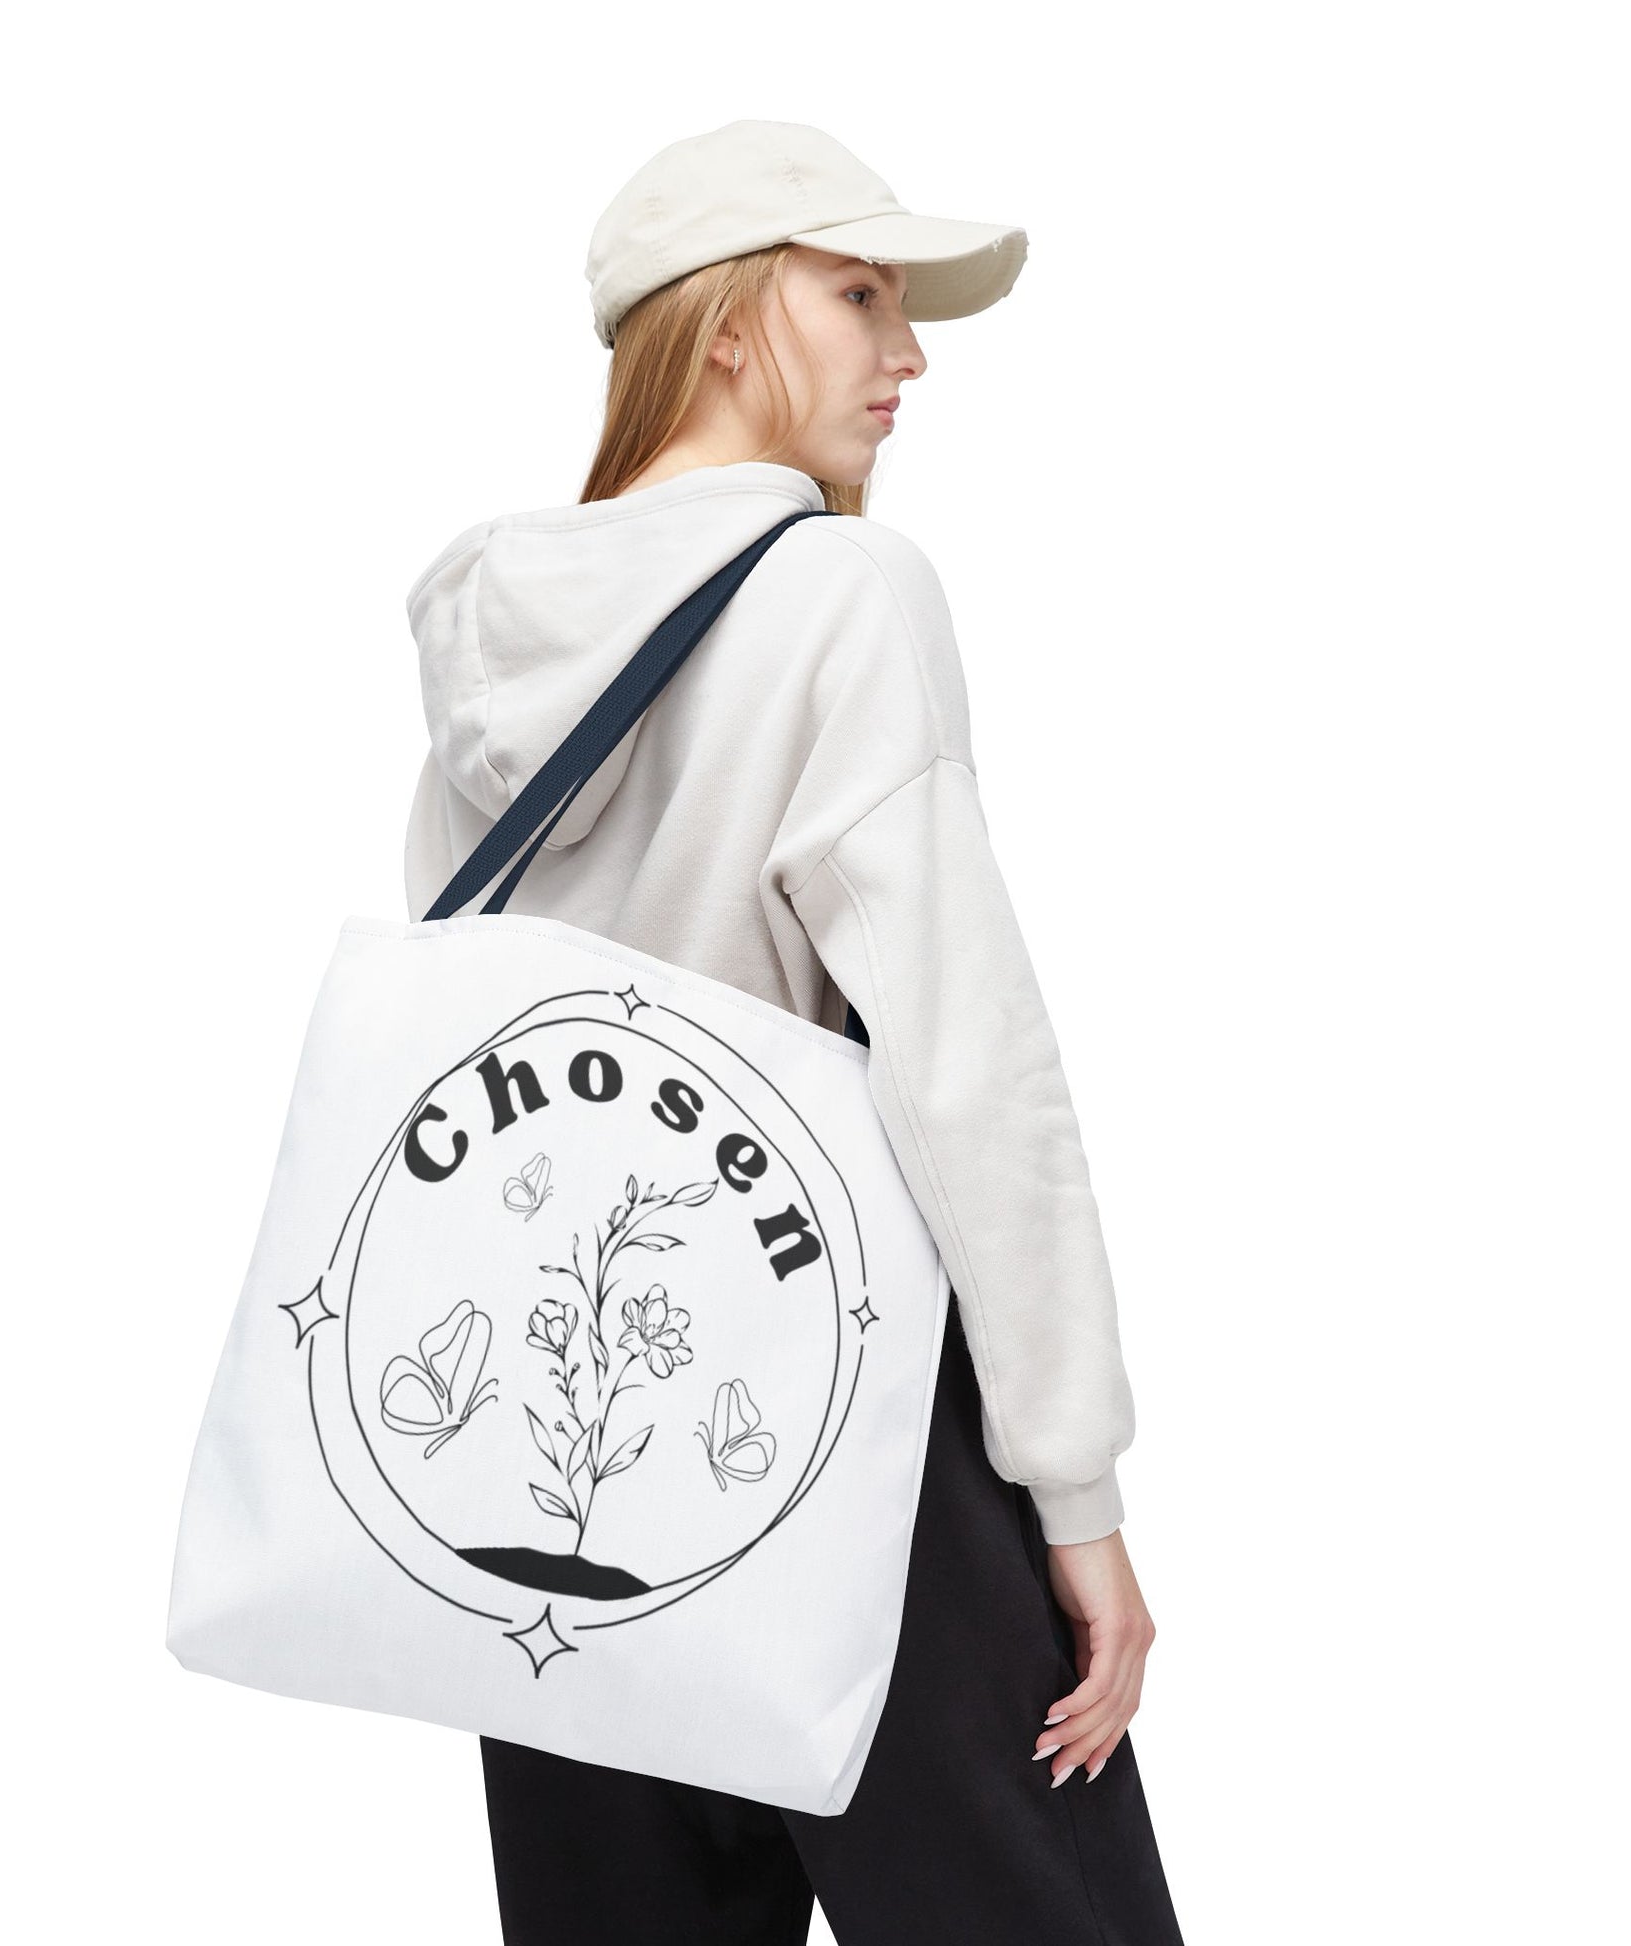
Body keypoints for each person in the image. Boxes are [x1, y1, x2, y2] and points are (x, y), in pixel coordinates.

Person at [401, 120, 1185, 1946]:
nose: (906, 355)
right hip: (844, 1408)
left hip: (553, 1455)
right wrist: (1071, 1490)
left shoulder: (486, 645)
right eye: (859, 296)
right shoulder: (841, 591)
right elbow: (967, 1069)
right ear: (729, 321)